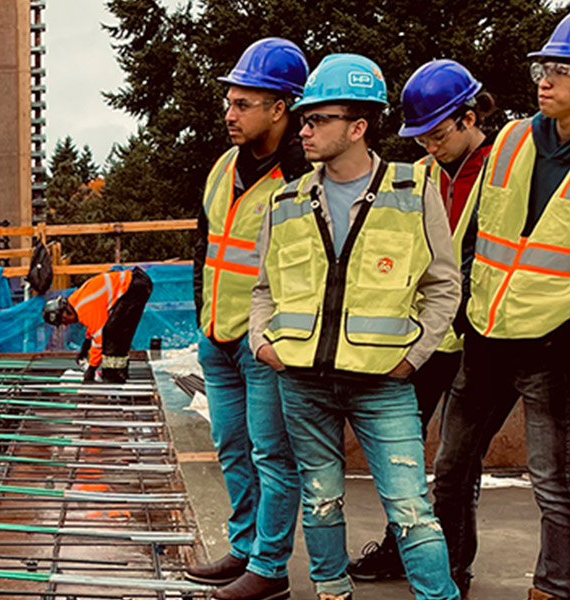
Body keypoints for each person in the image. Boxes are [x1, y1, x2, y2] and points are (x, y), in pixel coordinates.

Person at [249, 54, 461, 600]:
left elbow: (443, 285)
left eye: (319, 118)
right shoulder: (287, 199)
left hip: (383, 383)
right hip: (302, 381)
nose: (305, 129)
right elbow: (264, 289)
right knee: (320, 500)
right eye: (305, 118)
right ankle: (331, 593)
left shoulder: (413, 191)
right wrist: (262, 341)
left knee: (412, 508)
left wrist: (413, 357)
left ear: (358, 127)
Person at [432, 17, 570, 600]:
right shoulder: (512, 139)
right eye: (544, 68)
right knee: (451, 469)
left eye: (561, 71)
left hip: (553, 348)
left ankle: (553, 587)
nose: (546, 80)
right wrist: (463, 305)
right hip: (487, 335)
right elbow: (474, 232)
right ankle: (447, 575)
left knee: (554, 485)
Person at [348, 60, 496, 588]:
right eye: (421, 138)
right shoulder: (424, 175)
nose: (429, 147)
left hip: (481, 335)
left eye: (437, 135)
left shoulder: (502, 166)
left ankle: (450, 562)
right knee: (401, 452)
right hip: (428, 334)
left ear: (469, 117)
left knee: (457, 460)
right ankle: (403, 548)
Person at [185, 37, 309, 600]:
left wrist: (282, 339)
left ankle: (269, 566)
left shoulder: (303, 177)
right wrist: (202, 314)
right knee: (233, 447)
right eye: (229, 102)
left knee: (273, 455)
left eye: (244, 104)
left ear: (280, 108)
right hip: (217, 334)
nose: (229, 114)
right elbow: (203, 247)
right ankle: (243, 548)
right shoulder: (222, 167)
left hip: (267, 343)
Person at [42, 267, 151, 383]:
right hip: (134, 283)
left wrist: (92, 368)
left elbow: (99, 338)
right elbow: (95, 325)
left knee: (113, 334)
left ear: (64, 315)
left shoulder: (84, 309)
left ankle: (114, 378)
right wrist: (86, 345)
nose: (67, 324)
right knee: (113, 331)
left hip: (135, 287)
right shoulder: (76, 301)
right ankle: (115, 375)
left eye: (64, 322)